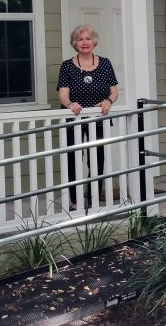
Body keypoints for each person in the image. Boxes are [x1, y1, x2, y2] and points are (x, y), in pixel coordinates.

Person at [57, 24, 118, 209]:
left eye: (88, 39)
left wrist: (108, 101)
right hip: (73, 119)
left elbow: (114, 92)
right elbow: (63, 94)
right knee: (73, 160)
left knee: (97, 159)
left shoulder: (105, 63)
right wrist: (69, 104)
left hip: (98, 119)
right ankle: (75, 202)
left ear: (94, 41)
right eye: (80, 39)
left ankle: (93, 200)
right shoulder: (67, 66)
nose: (85, 42)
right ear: (74, 43)